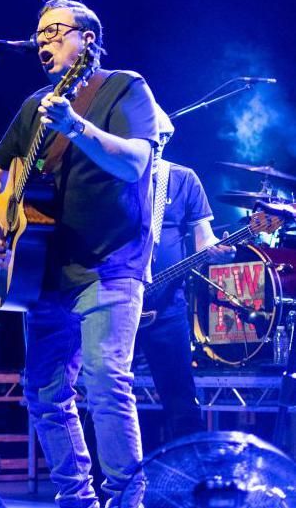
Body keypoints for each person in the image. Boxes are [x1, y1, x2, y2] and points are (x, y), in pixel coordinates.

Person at [0, 0, 159, 507]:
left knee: (104, 380)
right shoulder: (35, 105)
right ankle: (75, 499)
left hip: (110, 262)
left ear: (87, 41)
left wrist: (77, 128)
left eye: (53, 31)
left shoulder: (125, 87)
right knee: (43, 391)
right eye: (38, 35)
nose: (42, 43)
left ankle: (126, 500)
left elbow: (137, 163)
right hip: (46, 271)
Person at [135, 105, 235, 439]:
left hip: (166, 309)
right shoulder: (115, 177)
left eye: (165, 138)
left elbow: (204, 240)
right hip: (118, 300)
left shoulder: (182, 179)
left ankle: (185, 480)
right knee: (108, 397)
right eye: (154, 137)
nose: (159, 143)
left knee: (181, 401)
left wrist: (217, 252)